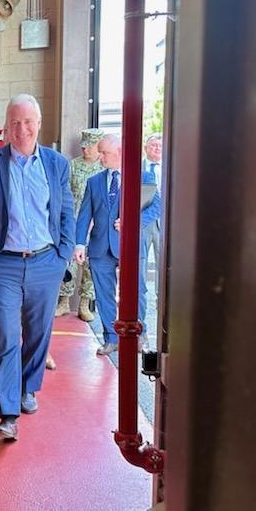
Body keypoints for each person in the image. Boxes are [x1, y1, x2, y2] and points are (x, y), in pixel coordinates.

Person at [0, 94, 75, 441]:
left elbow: (65, 212)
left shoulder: (57, 165)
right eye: (15, 122)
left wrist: (63, 254)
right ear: (5, 127)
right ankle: (8, 412)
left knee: (38, 333)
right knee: (5, 337)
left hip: (47, 261)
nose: (22, 128)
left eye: (28, 121)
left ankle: (29, 387)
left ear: (39, 124)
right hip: (2, 265)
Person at [74, 134, 161, 356]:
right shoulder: (94, 181)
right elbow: (84, 214)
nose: (100, 157)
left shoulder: (143, 177)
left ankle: (139, 336)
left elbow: (157, 207)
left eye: (104, 153)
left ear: (120, 152)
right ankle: (111, 339)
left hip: (130, 245)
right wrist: (79, 244)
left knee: (137, 291)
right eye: (100, 152)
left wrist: (133, 222)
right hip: (100, 247)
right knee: (104, 295)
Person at [55, 127, 105, 321]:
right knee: (69, 262)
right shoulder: (72, 166)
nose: (85, 150)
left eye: (90, 147)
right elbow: (64, 193)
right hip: (73, 222)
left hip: (96, 224)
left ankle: (85, 304)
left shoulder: (104, 168)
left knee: (90, 265)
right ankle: (64, 302)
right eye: (83, 147)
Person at [142, 133, 163, 290]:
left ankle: (160, 301)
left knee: (163, 264)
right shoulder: (136, 167)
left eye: (160, 146)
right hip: (144, 221)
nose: (157, 148)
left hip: (165, 222)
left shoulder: (172, 167)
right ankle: (139, 303)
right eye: (153, 145)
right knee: (140, 262)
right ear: (145, 148)